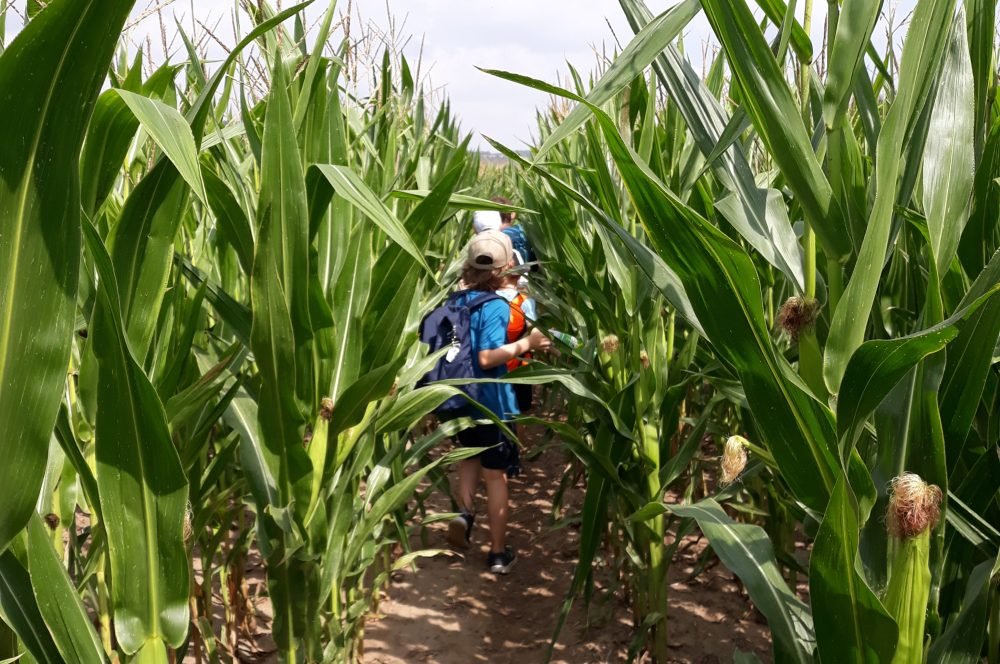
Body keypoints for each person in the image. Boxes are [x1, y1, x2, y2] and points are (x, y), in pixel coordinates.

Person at [446, 230, 551, 574]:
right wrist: (527, 344)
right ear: (506, 267)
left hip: (461, 399)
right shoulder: (495, 306)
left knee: (468, 459)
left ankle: (463, 515)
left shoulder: (455, 301)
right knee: (495, 476)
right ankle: (497, 553)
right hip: (491, 404)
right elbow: (488, 356)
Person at [496, 267, 537, 413]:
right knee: (520, 409)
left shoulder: (487, 299)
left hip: (494, 365)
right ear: (518, 277)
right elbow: (534, 331)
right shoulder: (525, 301)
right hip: (520, 366)